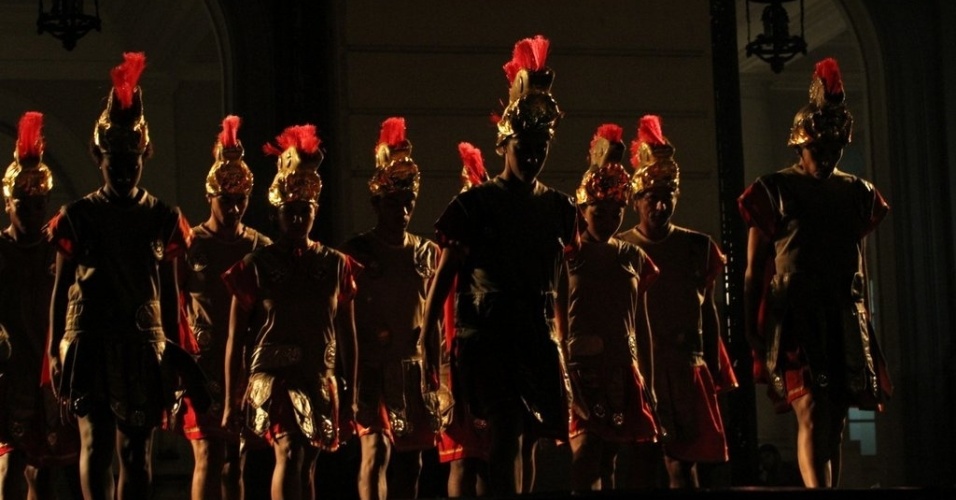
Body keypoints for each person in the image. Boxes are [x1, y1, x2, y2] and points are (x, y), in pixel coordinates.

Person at [421, 34, 577, 497]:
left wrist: (563, 343)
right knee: (506, 430)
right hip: (487, 338)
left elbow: (560, 278)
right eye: (523, 148)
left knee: (531, 437)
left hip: (534, 335)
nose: (531, 157)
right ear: (505, 143)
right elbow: (442, 283)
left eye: (539, 149)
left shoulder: (558, 207)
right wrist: (432, 353)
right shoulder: (475, 205)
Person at [46, 52, 208, 500]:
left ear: (143, 157)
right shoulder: (77, 217)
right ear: (101, 157)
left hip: (143, 343)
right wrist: (54, 350)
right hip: (89, 338)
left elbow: (171, 292)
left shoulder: (162, 217)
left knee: (136, 451)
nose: (123, 169)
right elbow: (60, 289)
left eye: (131, 161)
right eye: (115, 161)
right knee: (95, 445)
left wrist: (174, 349)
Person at [738, 57, 892, 488]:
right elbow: (753, 269)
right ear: (799, 146)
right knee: (809, 406)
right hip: (797, 316)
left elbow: (855, 254)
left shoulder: (857, 192)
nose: (824, 158)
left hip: (843, 312)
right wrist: (752, 327)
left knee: (836, 416)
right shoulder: (775, 189)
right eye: (816, 150)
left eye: (832, 150)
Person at [221, 123, 359, 500]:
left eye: (304, 211)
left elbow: (347, 332)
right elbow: (236, 337)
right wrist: (232, 400)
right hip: (274, 378)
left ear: (314, 211)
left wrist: (353, 392)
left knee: (309, 461)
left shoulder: (336, 265)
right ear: (277, 213)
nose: (297, 219)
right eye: (290, 212)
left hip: (319, 375)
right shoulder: (255, 265)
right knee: (290, 450)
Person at [617, 115, 737, 489]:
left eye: (666, 197)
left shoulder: (698, 247)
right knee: (647, 466)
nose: (660, 206)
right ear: (637, 200)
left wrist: (715, 368)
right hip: (643, 368)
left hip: (688, 366)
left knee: (691, 466)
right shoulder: (621, 248)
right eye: (652, 197)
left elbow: (709, 308)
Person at [338, 116, 442, 500]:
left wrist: (436, 368)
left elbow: (432, 319)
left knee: (412, 462)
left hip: (411, 367)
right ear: (377, 202)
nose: (402, 211)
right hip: (372, 367)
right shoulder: (357, 253)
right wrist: (347, 372)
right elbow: (342, 318)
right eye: (394, 203)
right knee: (375, 452)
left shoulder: (426, 253)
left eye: (408, 203)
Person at [176, 115, 273, 500]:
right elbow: (176, 299)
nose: (233, 208)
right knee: (208, 453)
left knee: (237, 460)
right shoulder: (189, 243)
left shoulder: (259, 247)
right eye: (225, 200)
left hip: (246, 363)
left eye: (240, 200)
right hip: (202, 364)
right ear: (209, 196)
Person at [563, 123, 661, 493]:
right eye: (599, 213)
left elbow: (642, 323)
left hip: (622, 364)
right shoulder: (567, 254)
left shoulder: (633, 256)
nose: (608, 220)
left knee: (611, 460)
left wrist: (647, 379)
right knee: (586, 451)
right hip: (579, 367)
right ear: (584, 209)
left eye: (615, 212)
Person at [0, 111, 81, 499]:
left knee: (48, 471)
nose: (31, 214)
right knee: (11, 464)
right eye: (22, 205)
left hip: (52, 369)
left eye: (37, 206)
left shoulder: (59, 249)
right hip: (10, 369)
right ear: (8, 204)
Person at [436, 142, 491, 498]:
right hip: (458, 363)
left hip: (493, 360)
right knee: (462, 459)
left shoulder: (497, 255)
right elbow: (438, 312)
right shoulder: (453, 253)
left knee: (491, 458)